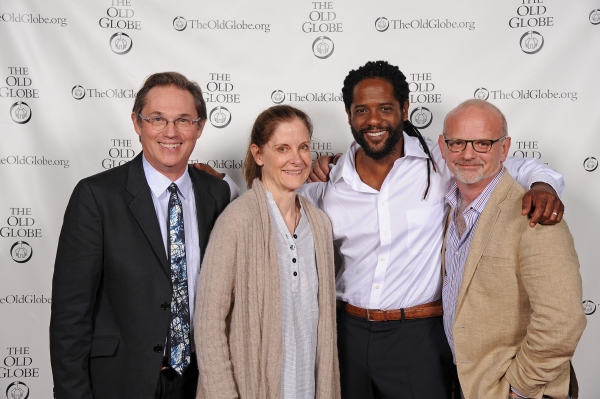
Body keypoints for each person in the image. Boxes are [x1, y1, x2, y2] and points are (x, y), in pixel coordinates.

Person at [300, 60, 565, 398]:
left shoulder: (440, 163)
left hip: (419, 336)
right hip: (346, 334)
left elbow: (515, 166)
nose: (374, 120)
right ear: (349, 115)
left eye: (385, 108)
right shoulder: (329, 183)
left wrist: (544, 186)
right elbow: (273, 199)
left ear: (405, 109)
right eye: (361, 110)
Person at [50, 72, 234, 399]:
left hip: (200, 383)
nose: (171, 132)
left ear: (200, 127)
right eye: (157, 119)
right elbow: (70, 316)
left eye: (184, 121)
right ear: (137, 123)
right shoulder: (96, 196)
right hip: (121, 382)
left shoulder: (216, 193)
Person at [438, 99, 586, 399]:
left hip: (514, 389)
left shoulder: (535, 214)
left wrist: (519, 388)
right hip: (466, 382)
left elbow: (562, 321)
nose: (468, 154)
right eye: (457, 143)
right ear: (443, 146)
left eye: (482, 143)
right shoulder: (448, 207)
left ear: (504, 149)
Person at [194, 105, 340, 399]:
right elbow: (208, 324)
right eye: (282, 148)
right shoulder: (237, 221)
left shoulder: (320, 224)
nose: (296, 159)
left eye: (303, 147)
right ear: (259, 154)